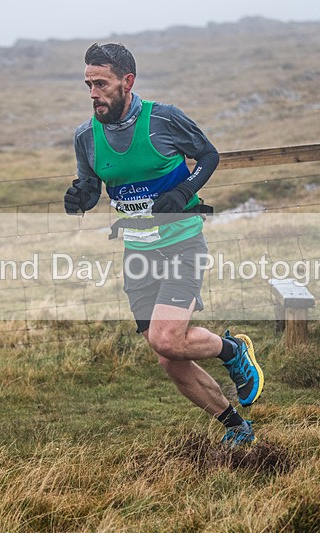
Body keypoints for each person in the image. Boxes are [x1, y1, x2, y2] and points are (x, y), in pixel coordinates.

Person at [64, 43, 263, 448]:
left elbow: (208, 155)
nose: (93, 93)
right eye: (88, 84)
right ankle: (235, 426)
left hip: (181, 244)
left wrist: (185, 190)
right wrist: (79, 198)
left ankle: (231, 350)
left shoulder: (163, 120)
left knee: (168, 339)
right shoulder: (86, 136)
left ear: (127, 81)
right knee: (167, 357)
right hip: (138, 253)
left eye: (101, 84)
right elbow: (91, 184)